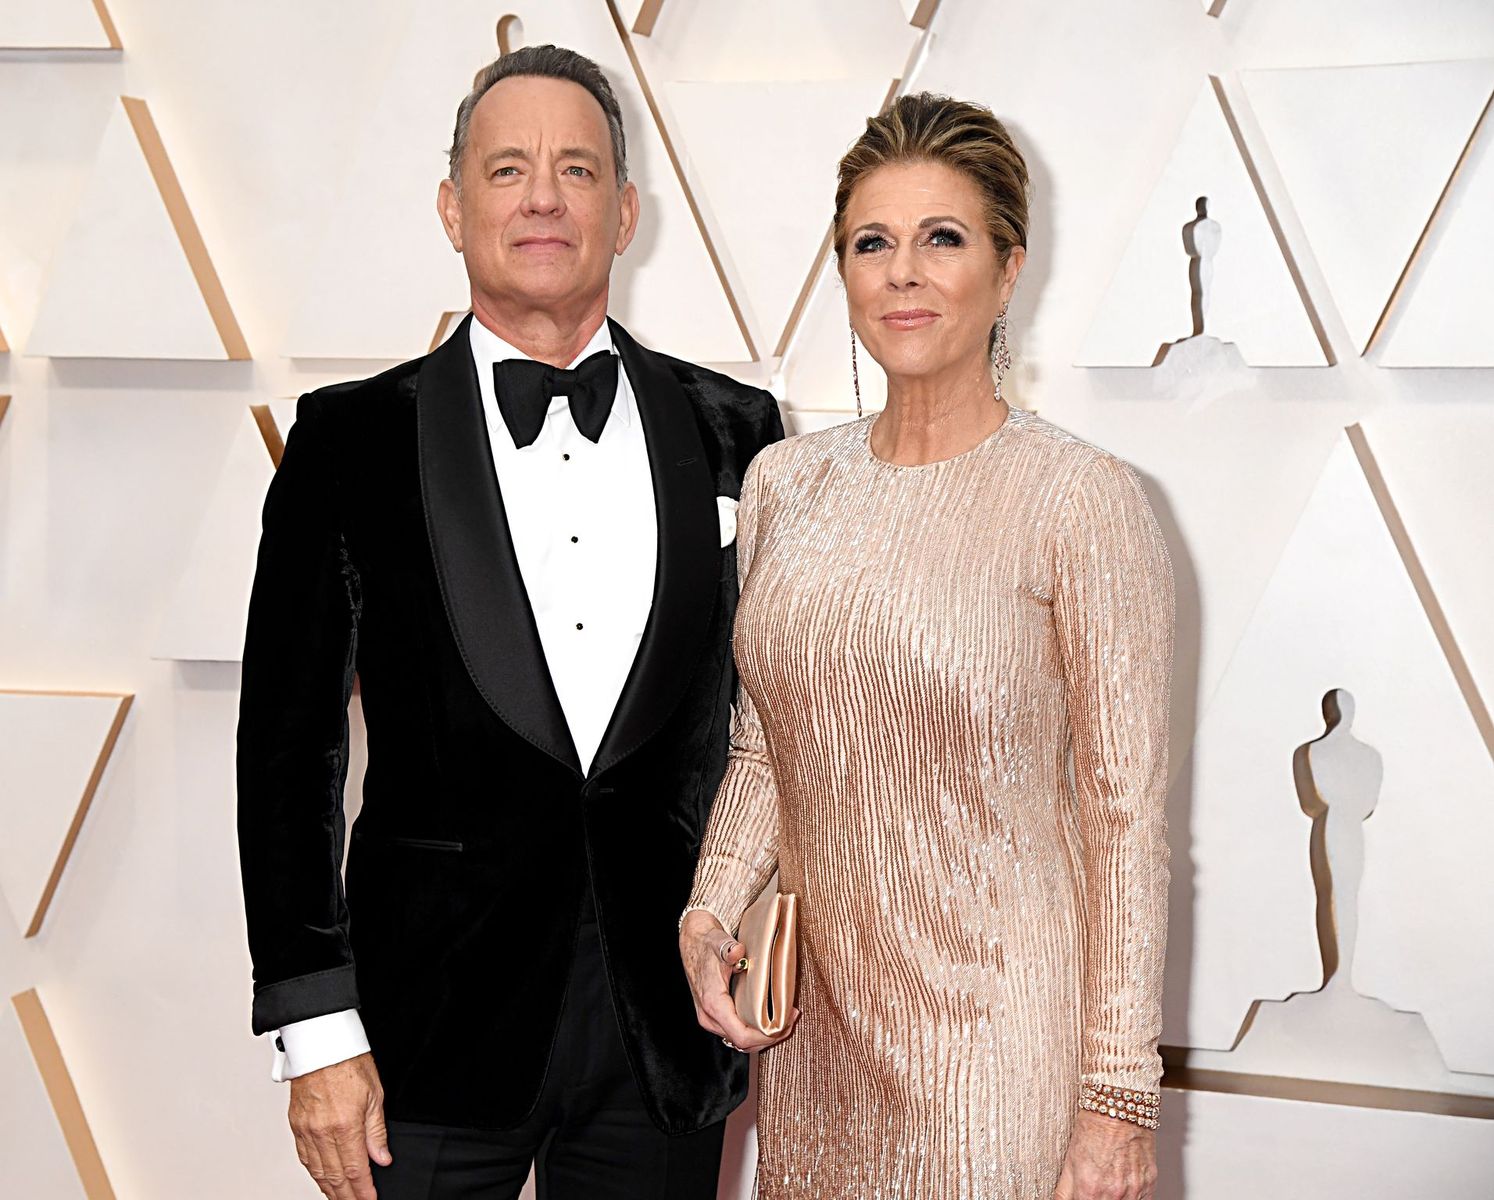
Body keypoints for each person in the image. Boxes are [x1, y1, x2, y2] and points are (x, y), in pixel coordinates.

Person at [238, 45, 782, 1200]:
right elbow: (285, 754)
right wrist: (315, 1033)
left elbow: (774, 725)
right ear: (452, 207)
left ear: (625, 211)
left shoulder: (740, 428)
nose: (544, 196)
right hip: (423, 1038)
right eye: (508, 170)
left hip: (667, 1025)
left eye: (578, 169)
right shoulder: (347, 442)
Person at [680, 93, 1174, 1200]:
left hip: (998, 1051)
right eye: (872, 243)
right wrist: (710, 908)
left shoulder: (1081, 501)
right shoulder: (785, 485)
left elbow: (1124, 815)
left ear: (1008, 272)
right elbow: (766, 748)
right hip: (816, 1046)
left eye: (941, 238)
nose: (902, 272)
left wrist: (1116, 1100)